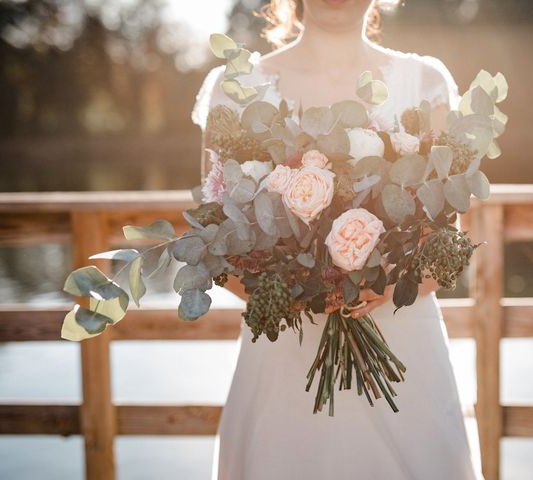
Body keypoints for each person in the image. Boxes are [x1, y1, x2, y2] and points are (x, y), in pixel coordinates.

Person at [192, 1, 484, 478]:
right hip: (283, 352)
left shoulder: (424, 84)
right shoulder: (234, 92)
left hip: (403, 354)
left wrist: (383, 285)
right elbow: (214, 246)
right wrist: (300, 288)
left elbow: (445, 246)